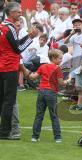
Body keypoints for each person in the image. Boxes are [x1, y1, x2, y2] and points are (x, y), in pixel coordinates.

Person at [0, 2, 37, 139]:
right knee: (9, 101)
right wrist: (31, 37)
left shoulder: (2, 26)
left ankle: (4, 130)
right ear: (11, 13)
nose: (21, 13)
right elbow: (18, 48)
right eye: (19, 12)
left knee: (3, 100)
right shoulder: (9, 27)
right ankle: (5, 132)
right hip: (9, 68)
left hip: (2, 66)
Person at [29, 49, 67, 143]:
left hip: (42, 92)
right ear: (53, 58)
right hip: (51, 93)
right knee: (54, 116)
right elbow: (61, 83)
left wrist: (27, 73)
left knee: (39, 115)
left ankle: (34, 137)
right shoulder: (57, 69)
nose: (61, 60)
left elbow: (33, 77)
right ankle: (57, 138)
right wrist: (68, 81)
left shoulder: (43, 66)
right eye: (60, 58)